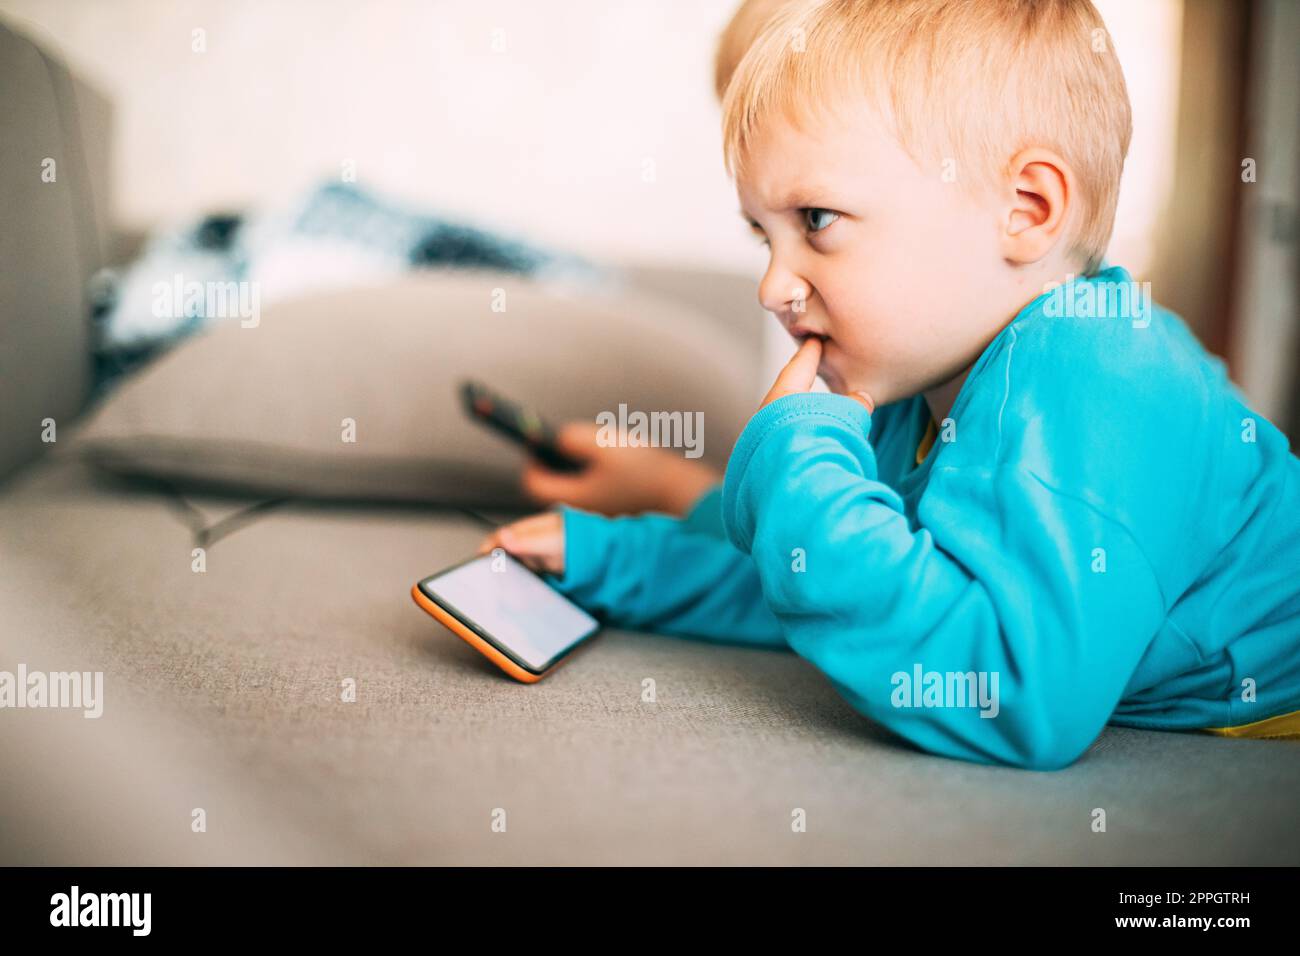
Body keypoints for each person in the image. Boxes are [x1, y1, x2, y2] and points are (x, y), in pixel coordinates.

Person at [480, 0, 1300, 768]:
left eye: (816, 222)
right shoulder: (910, 395)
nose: (772, 287)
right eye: (763, 236)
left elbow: (1013, 688)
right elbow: (830, 573)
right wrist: (617, 560)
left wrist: (800, 458)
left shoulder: (1106, 375)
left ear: (1026, 208)